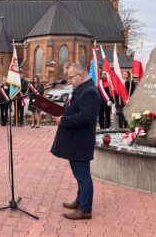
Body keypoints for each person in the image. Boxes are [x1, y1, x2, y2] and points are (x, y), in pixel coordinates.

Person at [51, 63, 100, 220]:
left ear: (81, 75)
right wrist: (60, 112)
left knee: (83, 176)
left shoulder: (89, 92)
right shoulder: (82, 90)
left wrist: (63, 120)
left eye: (71, 77)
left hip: (80, 141)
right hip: (76, 141)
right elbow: (75, 109)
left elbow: (86, 117)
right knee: (80, 175)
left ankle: (85, 209)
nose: (69, 80)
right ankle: (80, 201)